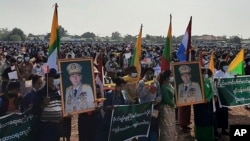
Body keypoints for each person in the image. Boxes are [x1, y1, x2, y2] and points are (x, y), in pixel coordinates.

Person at [31, 68, 62, 141]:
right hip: (45, 128)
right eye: (53, 77)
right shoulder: (40, 93)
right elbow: (34, 111)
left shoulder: (59, 92)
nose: (56, 79)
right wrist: (43, 104)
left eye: (57, 77)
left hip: (57, 126)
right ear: (47, 79)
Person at [137, 67, 161, 141]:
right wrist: (146, 88)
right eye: (148, 73)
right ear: (145, 74)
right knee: (144, 125)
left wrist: (157, 100)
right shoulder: (141, 83)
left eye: (151, 73)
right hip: (144, 108)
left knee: (154, 126)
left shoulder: (156, 82)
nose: (150, 75)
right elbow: (140, 95)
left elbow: (160, 95)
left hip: (154, 108)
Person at [193, 68, 215, 141]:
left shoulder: (208, 81)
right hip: (198, 105)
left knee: (207, 121)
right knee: (199, 121)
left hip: (207, 104)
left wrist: (208, 98)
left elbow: (212, 91)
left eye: (205, 73)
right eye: (203, 73)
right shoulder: (194, 82)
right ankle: (199, 136)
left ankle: (208, 136)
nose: (205, 74)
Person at [158, 70, 176, 141]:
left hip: (171, 108)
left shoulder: (170, 85)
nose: (172, 77)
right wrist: (173, 104)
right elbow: (166, 99)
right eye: (171, 75)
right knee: (166, 128)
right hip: (165, 109)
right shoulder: (163, 87)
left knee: (171, 127)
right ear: (166, 77)